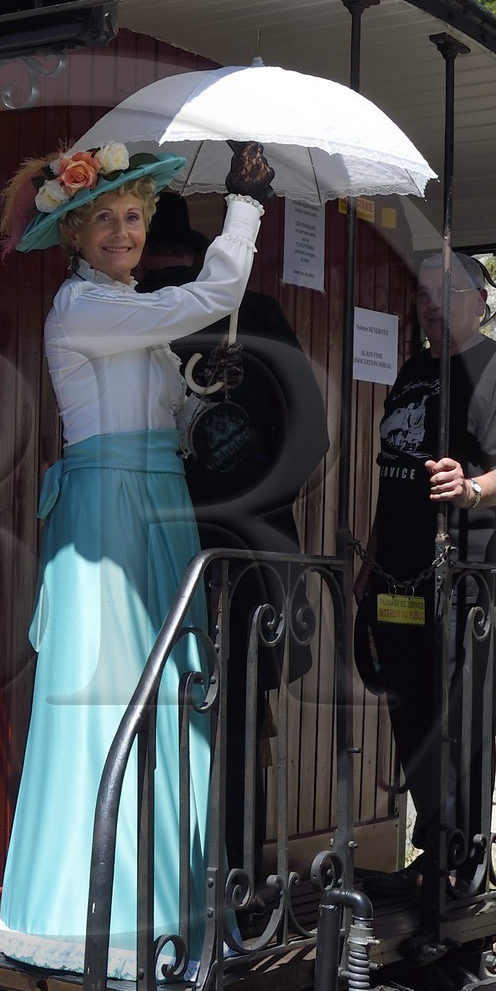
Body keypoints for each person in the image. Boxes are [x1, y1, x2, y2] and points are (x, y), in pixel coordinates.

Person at [0, 138, 276, 978]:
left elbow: (162, 427)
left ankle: (167, 907)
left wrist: (199, 391)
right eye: (106, 218)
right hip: (110, 517)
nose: (123, 231)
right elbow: (217, 289)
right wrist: (246, 203)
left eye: (134, 217)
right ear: (74, 233)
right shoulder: (82, 308)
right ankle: (92, 919)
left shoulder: (122, 307)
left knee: (168, 699)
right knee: (108, 703)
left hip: (154, 509)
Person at [138, 192, 329, 885]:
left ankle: (172, 880)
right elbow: (312, 438)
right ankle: (237, 879)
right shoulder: (261, 314)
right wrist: (254, 511)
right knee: (241, 717)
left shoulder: (134, 314)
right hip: (252, 556)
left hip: (153, 551)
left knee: (159, 715)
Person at [358, 253, 496, 902]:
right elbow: (394, 472)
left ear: (481, 301)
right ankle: (434, 847)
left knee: (462, 720)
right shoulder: (410, 372)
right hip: (400, 575)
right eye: (424, 296)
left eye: (448, 292)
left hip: (470, 580)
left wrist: (469, 489)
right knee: (413, 714)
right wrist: (371, 561)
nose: (432, 305)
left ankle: (464, 861)